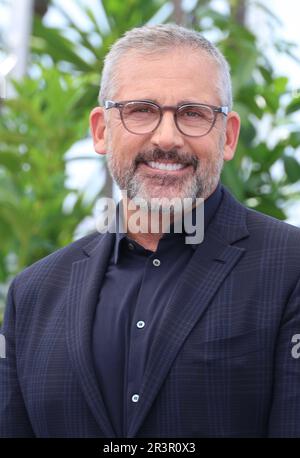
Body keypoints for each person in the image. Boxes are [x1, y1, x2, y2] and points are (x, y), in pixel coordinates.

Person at [1, 23, 300, 439]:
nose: (166, 137)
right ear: (101, 130)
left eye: (193, 114)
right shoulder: (32, 295)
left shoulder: (290, 268)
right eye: (141, 109)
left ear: (228, 137)